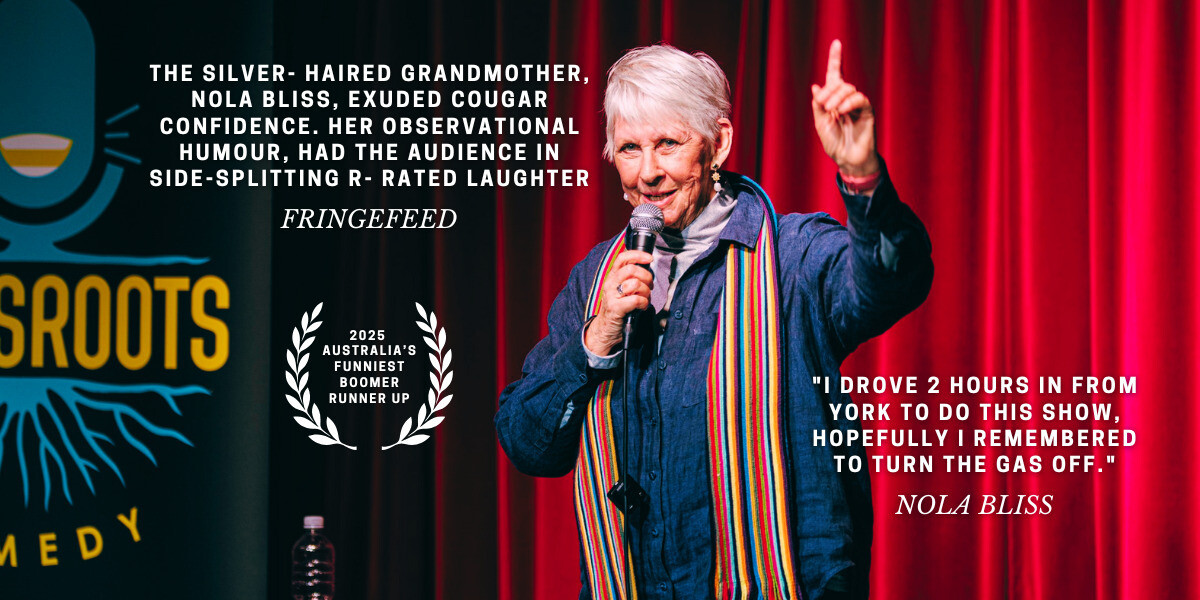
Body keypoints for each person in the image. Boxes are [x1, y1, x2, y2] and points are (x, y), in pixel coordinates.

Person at [496, 40, 932, 600]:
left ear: (718, 143)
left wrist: (862, 176)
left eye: (668, 144)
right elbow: (528, 445)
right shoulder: (594, 281)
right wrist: (596, 340)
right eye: (629, 148)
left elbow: (895, 282)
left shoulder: (791, 255)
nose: (648, 173)